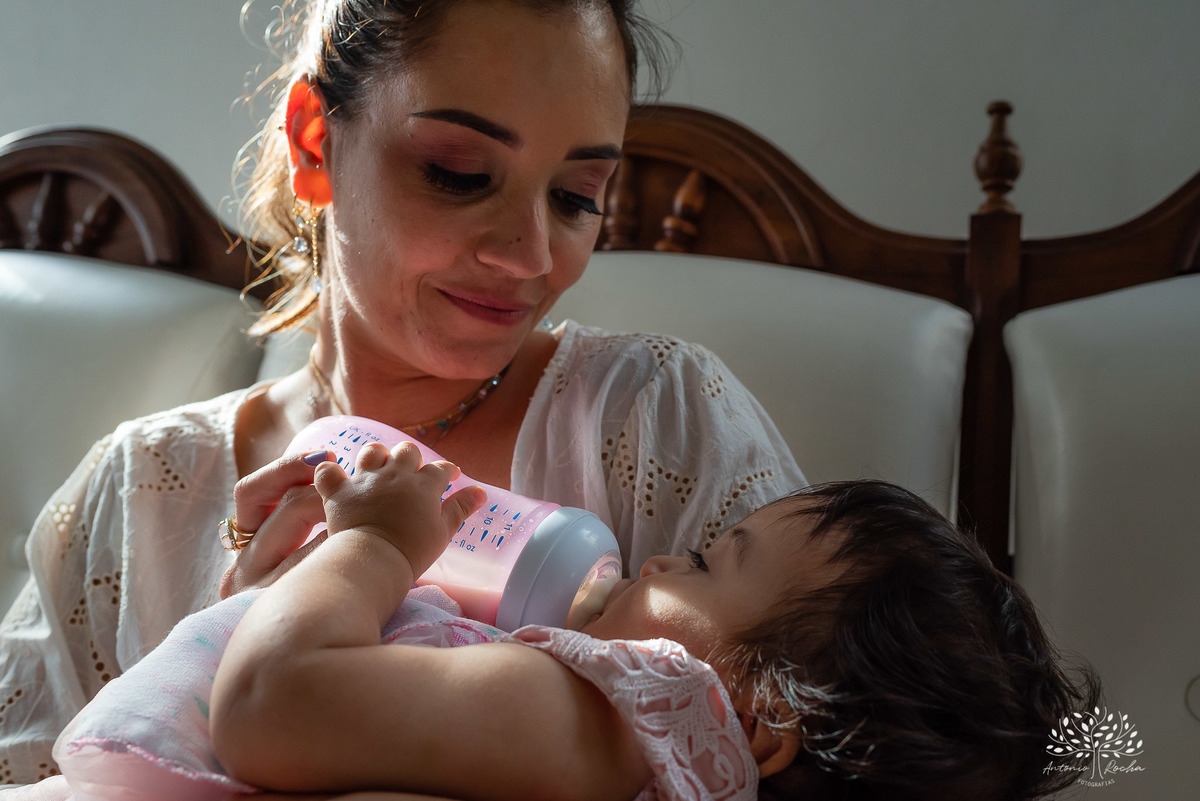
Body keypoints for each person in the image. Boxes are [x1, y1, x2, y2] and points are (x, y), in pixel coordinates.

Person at [0, 0, 803, 785]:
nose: (529, 254)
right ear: (315, 144)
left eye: (575, 196)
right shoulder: (139, 492)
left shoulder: (660, 417)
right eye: (460, 175)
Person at [45, 445, 1098, 801]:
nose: (655, 556)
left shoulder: (609, 719)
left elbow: (274, 706)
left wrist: (377, 545)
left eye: (705, 563)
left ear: (761, 722)